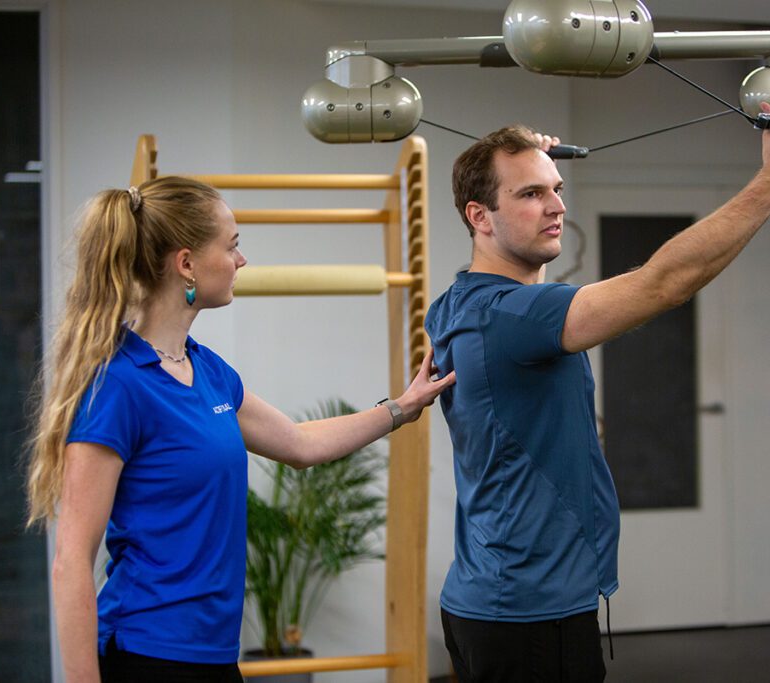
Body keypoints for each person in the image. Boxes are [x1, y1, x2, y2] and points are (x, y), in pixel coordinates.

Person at [425, 102, 770, 682]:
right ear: (479, 216)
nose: (558, 207)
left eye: (557, 188)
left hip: (488, 602)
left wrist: (519, 163)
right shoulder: (513, 317)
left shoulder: (458, 303)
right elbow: (666, 282)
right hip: (530, 616)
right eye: (531, 194)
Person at [24, 176, 456, 683]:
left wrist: (401, 408)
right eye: (232, 246)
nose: (241, 260)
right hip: (147, 654)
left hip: (214, 655)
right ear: (186, 263)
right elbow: (72, 560)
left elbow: (299, 444)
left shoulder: (209, 372)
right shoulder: (118, 386)